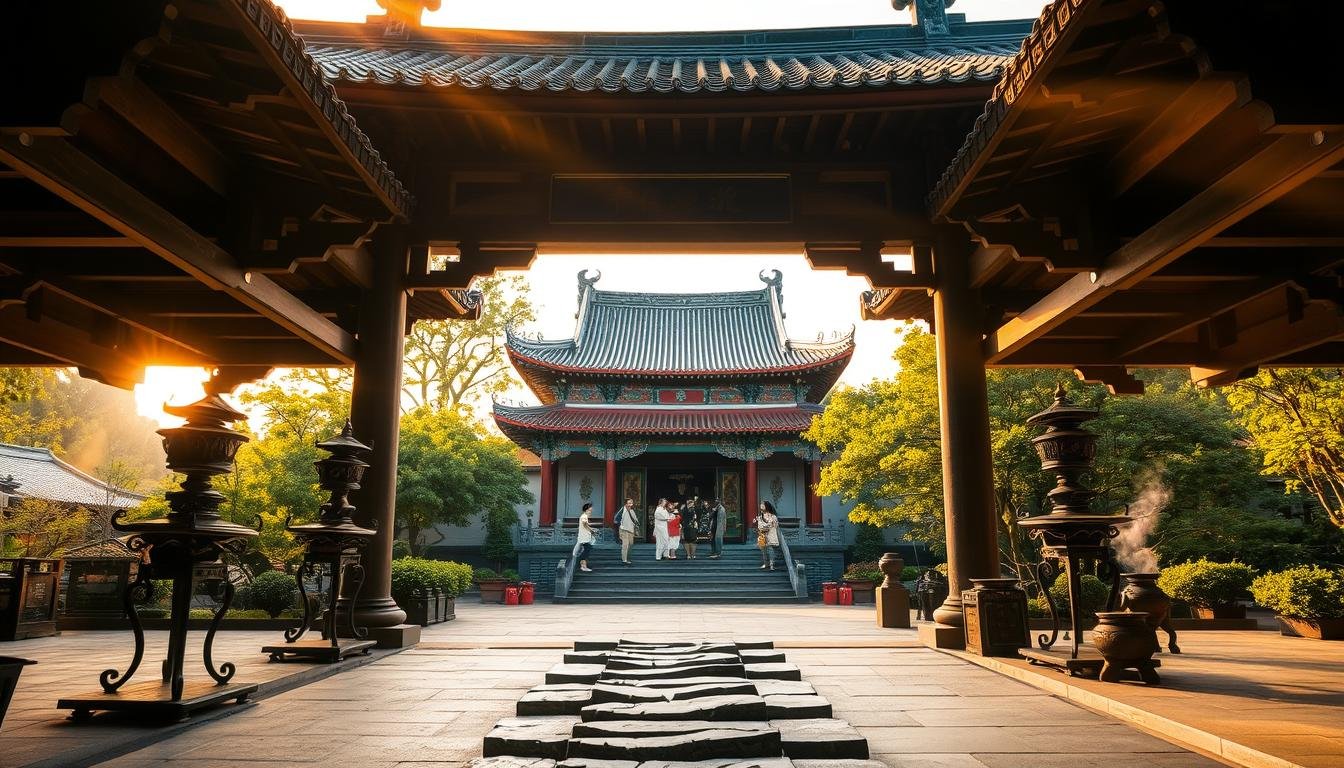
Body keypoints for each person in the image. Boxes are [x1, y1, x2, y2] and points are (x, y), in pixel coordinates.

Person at [757, 501, 780, 570]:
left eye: (763, 505)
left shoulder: (773, 516)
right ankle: (766, 563)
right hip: (762, 535)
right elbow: (759, 526)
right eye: (761, 505)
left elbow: (775, 525)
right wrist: (763, 527)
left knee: (770, 550)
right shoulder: (760, 517)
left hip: (770, 534)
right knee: (763, 550)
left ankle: (772, 564)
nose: (761, 506)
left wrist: (766, 526)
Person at [617, 497, 638, 566]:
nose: (630, 504)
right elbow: (616, 518)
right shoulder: (622, 510)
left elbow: (635, 520)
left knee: (630, 545)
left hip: (631, 530)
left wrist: (636, 524)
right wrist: (621, 525)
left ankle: (628, 559)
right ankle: (624, 560)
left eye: (631, 503)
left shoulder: (632, 511)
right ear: (625, 504)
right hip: (624, 530)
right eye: (629, 503)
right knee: (625, 545)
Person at [577, 502, 596, 572]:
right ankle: (583, 566)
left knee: (587, 550)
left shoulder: (584, 516)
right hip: (584, 537)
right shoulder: (584, 516)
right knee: (586, 551)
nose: (591, 510)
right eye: (590, 509)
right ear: (586, 509)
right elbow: (585, 524)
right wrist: (591, 530)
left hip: (585, 537)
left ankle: (583, 566)